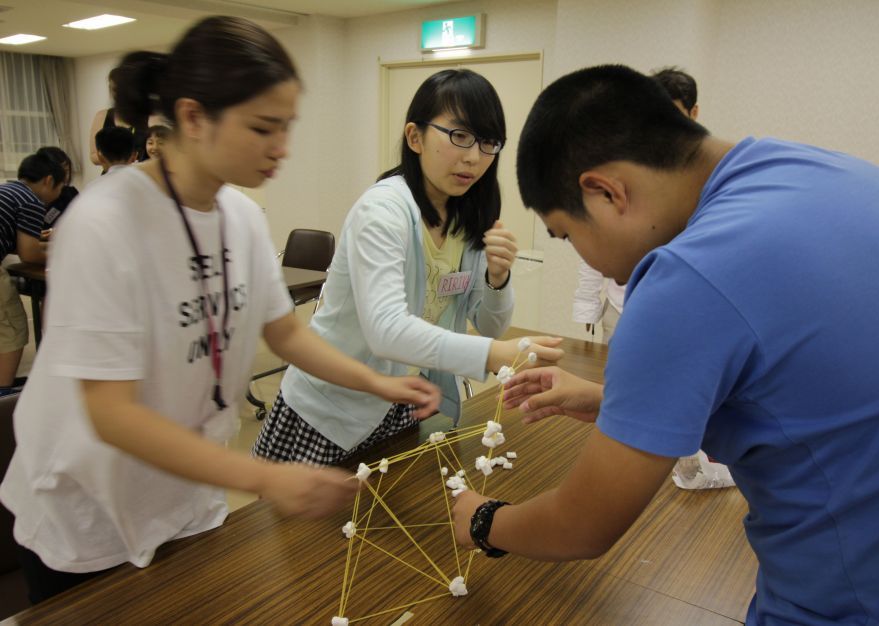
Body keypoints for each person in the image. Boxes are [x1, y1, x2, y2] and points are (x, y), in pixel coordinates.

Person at [453, 64, 879, 625]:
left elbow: (583, 525)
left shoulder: (686, 276)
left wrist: (482, 519)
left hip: (862, 600)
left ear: (606, 191)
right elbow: (812, 382)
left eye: (566, 234)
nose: (582, 257)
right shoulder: (809, 168)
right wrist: (608, 400)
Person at [0, 15, 440, 605]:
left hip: (188, 491)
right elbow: (111, 414)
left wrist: (377, 383)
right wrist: (265, 477)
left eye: (287, 127)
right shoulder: (103, 224)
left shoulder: (239, 216)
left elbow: (284, 333)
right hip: (91, 510)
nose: (281, 148)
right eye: (263, 128)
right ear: (191, 117)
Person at [252, 69, 563, 466]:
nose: (473, 157)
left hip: (403, 404)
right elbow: (386, 330)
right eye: (459, 136)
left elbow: (490, 327)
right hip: (331, 410)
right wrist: (495, 354)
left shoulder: (468, 214)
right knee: (305, 527)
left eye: (488, 142)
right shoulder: (383, 211)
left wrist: (497, 279)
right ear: (414, 137)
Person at [573, 67, 698, 345]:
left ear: (694, 114)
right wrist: (587, 305)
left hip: (682, 315)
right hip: (621, 310)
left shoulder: (707, 173)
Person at [0, 152, 60, 395]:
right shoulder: (31, 200)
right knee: (12, 327)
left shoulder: (8, 191)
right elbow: (30, 254)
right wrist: (65, 255)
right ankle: (4, 393)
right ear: (48, 180)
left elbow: (18, 244)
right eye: (60, 185)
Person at [88, 65, 153, 166]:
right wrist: (121, 159)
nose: (116, 94)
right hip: (113, 175)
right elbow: (93, 156)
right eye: (113, 89)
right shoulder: (102, 116)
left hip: (142, 174)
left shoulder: (149, 116)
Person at [35, 147, 78, 229]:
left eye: (66, 171)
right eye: (59, 171)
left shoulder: (70, 194)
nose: (64, 176)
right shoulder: (30, 199)